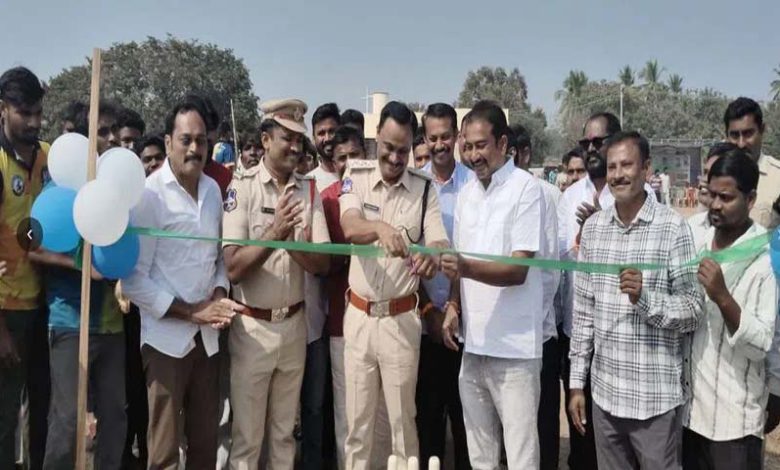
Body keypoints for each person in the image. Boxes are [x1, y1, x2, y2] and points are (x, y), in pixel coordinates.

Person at [568, 131, 703, 469]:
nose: (617, 175)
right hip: (605, 398)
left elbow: (692, 309)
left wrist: (645, 298)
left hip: (654, 402)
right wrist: (576, 384)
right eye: (612, 167)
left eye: (626, 165)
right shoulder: (594, 229)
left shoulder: (672, 228)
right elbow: (583, 314)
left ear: (646, 169)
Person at [123, 97, 244, 470]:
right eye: (186, 140)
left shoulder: (213, 191)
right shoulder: (149, 195)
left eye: (201, 141)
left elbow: (217, 259)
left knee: (205, 446)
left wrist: (219, 294)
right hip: (165, 343)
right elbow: (133, 281)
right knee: (163, 452)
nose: (194, 148)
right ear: (168, 141)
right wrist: (192, 312)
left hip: (207, 342)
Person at [223, 99, 331, 470]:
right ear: (266, 140)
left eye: (300, 140)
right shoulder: (243, 187)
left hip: (294, 326)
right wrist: (275, 233)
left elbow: (322, 263)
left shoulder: (308, 190)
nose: (296, 147)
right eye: (287, 138)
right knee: (247, 438)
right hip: (252, 328)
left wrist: (292, 244)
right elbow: (233, 267)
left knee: (284, 436)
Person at [340, 101, 449, 469]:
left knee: (403, 424)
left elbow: (438, 240)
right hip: (359, 319)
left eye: (403, 150)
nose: (395, 157)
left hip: (401, 322)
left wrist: (433, 257)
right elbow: (350, 225)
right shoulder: (355, 175)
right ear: (376, 139)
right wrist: (379, 228)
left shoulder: (424, 189)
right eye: (388, 147)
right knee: (358, 427)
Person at [437, 100, 544, 469]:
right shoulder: (468, 193)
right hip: (474, 345)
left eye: (480, 145)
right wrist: (454, 305)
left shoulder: (526, 189)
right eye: (467, 146)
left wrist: (465, 267)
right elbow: (459, 260)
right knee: (480, 455)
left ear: (502, 143)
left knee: (520, 456)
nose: (472, 155)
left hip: (515, 352)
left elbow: (518, 269)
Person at [30, 101, 127, 470]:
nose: (111, 138)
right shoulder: (57, 187)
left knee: (114, 418)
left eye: (113, 131)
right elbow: (28, 243)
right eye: (102, 131)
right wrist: (78, 264)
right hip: (70, 321)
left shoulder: (118, 186)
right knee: (68, 419)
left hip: (111, 323)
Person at [683, 148, 777, 470]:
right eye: (712, 195)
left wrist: (723, 297)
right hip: (690, 414)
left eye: (726, 197)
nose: (716, 205)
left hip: (733, 422)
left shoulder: (764, 258)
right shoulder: (697, 241)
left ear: (750, 200)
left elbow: (761, 344)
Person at [322, 125, 392, 469]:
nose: (349, 163)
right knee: (350, 417)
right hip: (343, 321)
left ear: (367, 156)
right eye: (341, 158)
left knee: (384, 418)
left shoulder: (386, 191)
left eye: (355, 155)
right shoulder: (327, 200)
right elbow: (326, 263)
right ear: (333, 162)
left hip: (389, 320)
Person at [556, 112, 623, 470]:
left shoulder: (635, 197)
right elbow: (559, 264)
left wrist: (602, 226)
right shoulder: (569, 198)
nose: (592, 149)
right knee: (581, 432)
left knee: (614, 437)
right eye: (586, 143)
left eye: (599, 141)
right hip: (577, 333)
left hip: (618, 336)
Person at [416, 103, 472, 470]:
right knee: (428, 420)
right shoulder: (414, 185)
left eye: (445, 137)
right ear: (424, 138)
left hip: (466, 325)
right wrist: (429, 311)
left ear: (457, 136)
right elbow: (406, 258)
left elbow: (469, 254)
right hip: (424, 324)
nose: (439, 145)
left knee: (468, 423)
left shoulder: (474, 185)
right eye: (432, 137)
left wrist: (453, 306)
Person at [0, 66, 50, 470]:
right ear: (3, 109)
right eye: (24, 113)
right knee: (4, 420)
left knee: (43, 410)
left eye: (38, 113)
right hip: (7, 312)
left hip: (45, 305)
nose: (34, 122)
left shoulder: (50, 157)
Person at [509, 123, 562, 470]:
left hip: (537, 332)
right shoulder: (491, 194)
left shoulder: (546, 194)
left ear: (525, 154)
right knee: (515, 430)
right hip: (505, 336)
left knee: (541, 425)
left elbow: (549, 270)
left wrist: (530, 320)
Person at [723, 97, 780, 230]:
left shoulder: (777, 177)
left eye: (748, 134)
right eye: (734, 135)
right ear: (726, 135)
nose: (741, 144)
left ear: (762, 130)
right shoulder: (717, 175)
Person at [688, 143, 737, 248]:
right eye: (705, 172)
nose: (704, 180)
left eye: (713, 174)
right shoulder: (690, 226)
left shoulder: (751, 238)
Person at [309, 103, 341, 191]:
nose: (327, 138)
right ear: (313, 138)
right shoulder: (308, 184)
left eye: (332, 131)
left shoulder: (356, 177)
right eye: (321, 133)